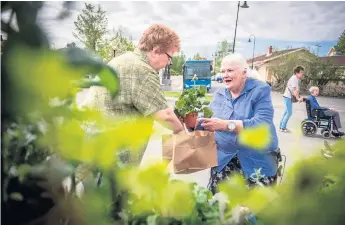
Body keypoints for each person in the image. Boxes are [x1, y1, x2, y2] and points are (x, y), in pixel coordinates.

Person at [84, 24, 184, 164]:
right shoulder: (143, 70)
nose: (169, 63)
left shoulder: (122, 60)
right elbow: (165, 116)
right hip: (113, 159)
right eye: (170, 57)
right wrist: (181, 130)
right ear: (155, 51)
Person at [197, 53, 279, 194]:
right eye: (223, 71)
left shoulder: (260, 90)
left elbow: (261, 124)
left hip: (256, 163)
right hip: (224, 162)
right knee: (220, 208)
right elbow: (208, 121)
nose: (225, 75)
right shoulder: (220, 95)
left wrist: (224, 125)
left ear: (244, 72)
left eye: (230, 70)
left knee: (253, 211)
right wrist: (192, 122)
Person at [279, 66, 305, 132]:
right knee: (289, 113)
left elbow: (295, 90)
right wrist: (298, 98)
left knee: (286, 112)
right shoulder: (294, 78)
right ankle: (283, 128)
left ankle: (281, 126)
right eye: (301, 72)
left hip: (287, 97)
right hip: (287, 97)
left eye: (302, 72)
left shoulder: (295, 78)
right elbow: (295, 90)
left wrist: (298, 97)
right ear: (297, 73)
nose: (302, 74)